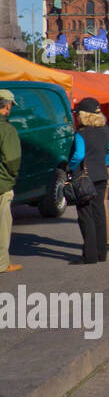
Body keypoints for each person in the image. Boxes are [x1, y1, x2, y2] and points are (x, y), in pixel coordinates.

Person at [70, 97, 109, 264]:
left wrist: (71, 167)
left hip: (85, 177)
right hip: (101, 175)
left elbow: (79, 155)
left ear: (83, 115)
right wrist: (102, 162)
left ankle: (89, 255)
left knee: (85, 215)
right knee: (99, 213)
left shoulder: (81, 133)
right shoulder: (105, 130)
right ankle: (101, 253)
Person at [0, 90, 21, 274]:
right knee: (3, 226)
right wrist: (12, 177)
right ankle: (2, 263)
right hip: (2, 185)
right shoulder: (7, 129)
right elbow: (12, 160)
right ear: (7, 106)